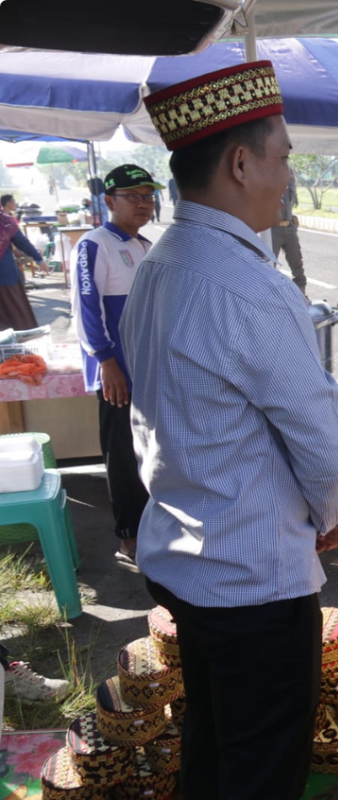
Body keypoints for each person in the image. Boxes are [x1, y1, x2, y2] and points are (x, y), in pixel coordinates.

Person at [123, 61, 338, 799]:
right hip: (253, 581)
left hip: (189, 562)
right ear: (240, 164)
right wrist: (333, 515)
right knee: (259, 770)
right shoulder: (249, 286)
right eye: (283, 157)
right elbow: (322, 443)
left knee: (213, 746)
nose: (288, 176)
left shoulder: (159, 266)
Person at [71, 164, 160, 567]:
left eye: (148, 196)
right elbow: (86, 309)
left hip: (149, 370)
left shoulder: (144, 245)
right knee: (123, 454)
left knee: (153, 452)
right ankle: (130, 537)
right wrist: (106, 361)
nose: (143, 203)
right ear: (109, 201)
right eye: (133, 196)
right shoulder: (95, 245)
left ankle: (157, 528)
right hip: (118, 375)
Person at [0, 205, 44, 330]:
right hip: (7, 279)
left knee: (16, 322)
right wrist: (38, 259)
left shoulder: (6, 223)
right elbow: (22, 243)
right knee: (17, 321)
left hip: (6, 279)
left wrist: (38, 259)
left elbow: (22, 243)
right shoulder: (6, 223)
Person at [271, 170, 306, 294]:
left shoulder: (290, 178)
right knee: (268, 265)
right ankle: (270, 297)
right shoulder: (268, 176)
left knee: (297, 265)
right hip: (273, 229)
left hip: (290, 229)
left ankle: (301, 296)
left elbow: (291, 202)